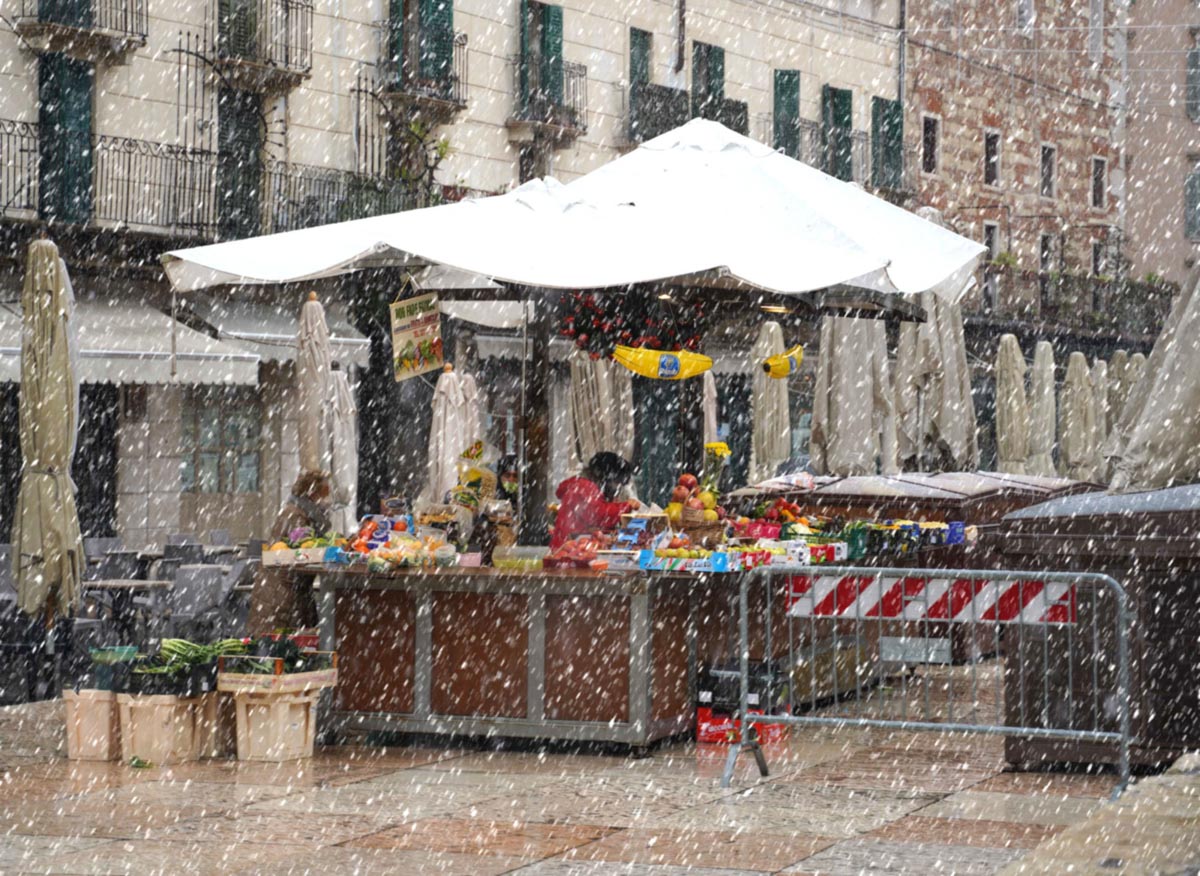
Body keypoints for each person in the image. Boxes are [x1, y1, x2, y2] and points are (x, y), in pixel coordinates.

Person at [247, 469, 333, 633]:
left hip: (288, 592)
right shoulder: (295, 516)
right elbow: (305, 550)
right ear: (312, 494)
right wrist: (327, 551)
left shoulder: (303, 513)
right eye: (325, 495)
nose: (327, 501)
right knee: (279, 645)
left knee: (287, 644)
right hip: (280, 595)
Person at [551, 452, 638, 549]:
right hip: (569, 550)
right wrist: (626, 506)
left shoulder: (584, 485)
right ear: (606, 477)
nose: (617, 489)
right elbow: (599, 515)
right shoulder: (583, 486)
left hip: (575, 545)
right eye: (617, 482)